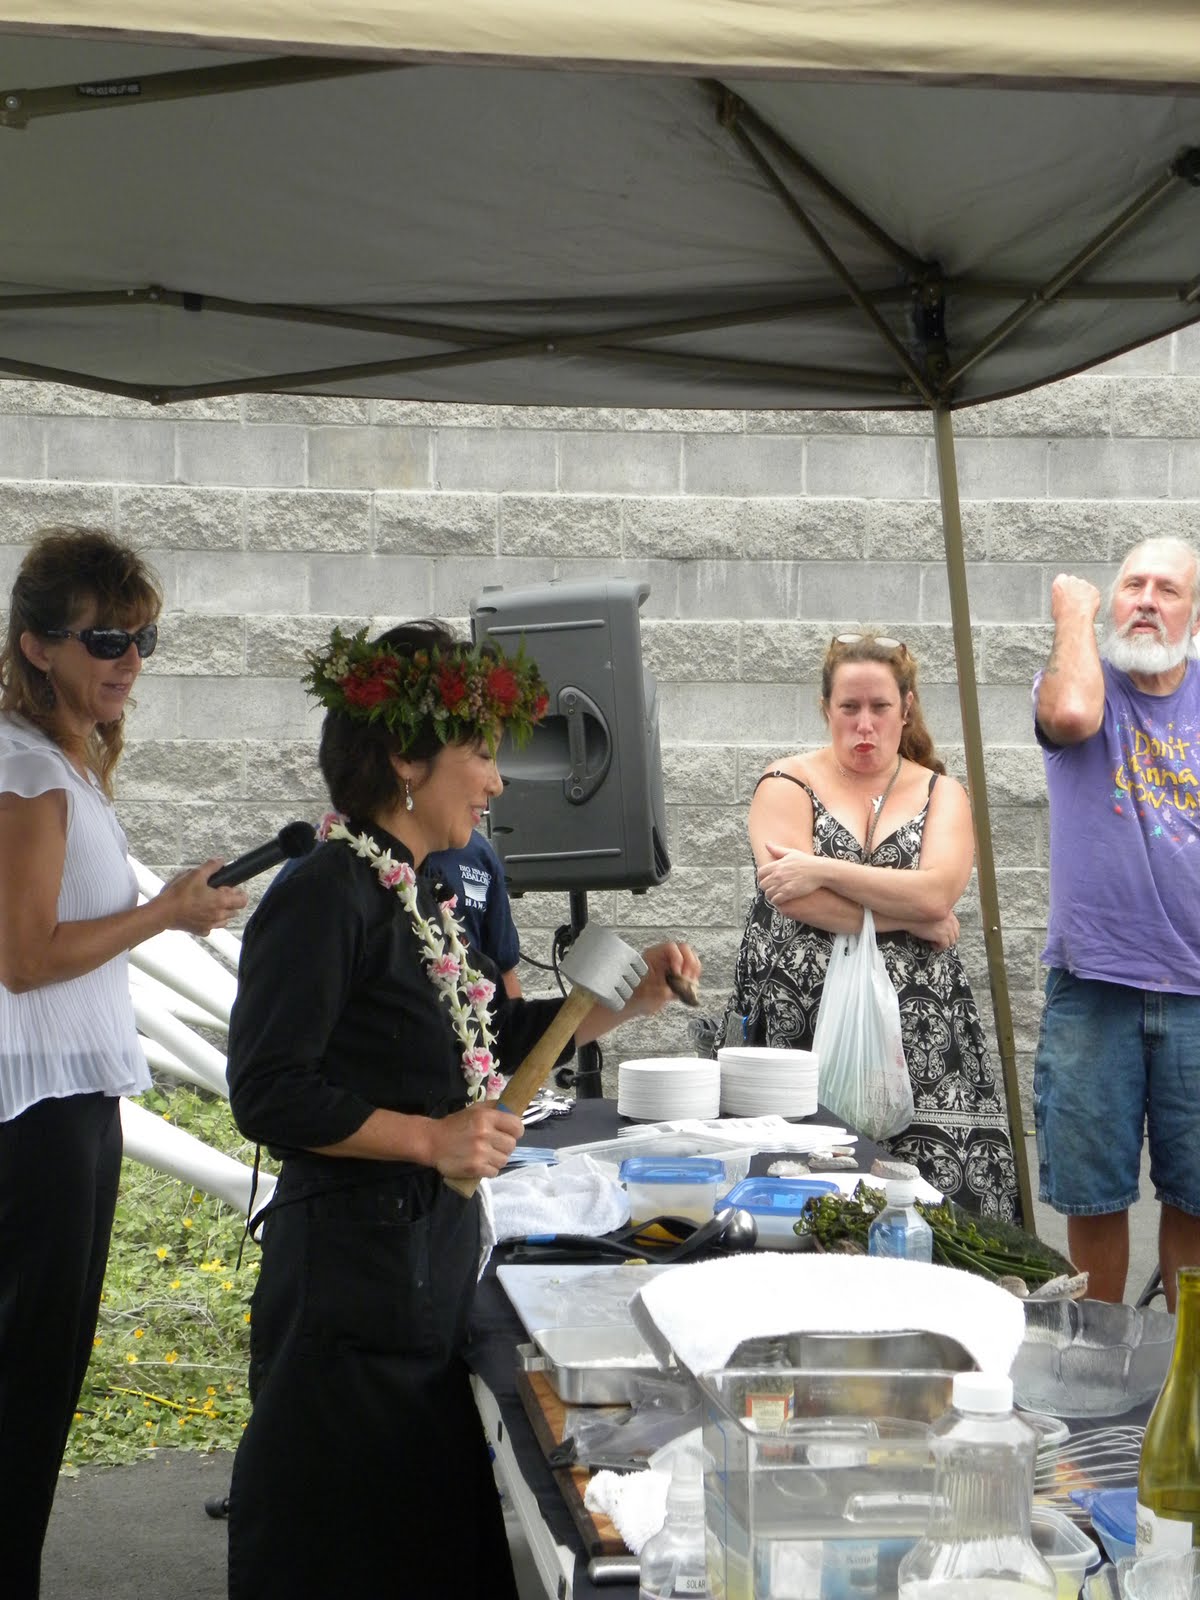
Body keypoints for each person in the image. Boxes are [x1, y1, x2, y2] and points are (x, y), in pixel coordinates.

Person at [224, 620, 699, 1600]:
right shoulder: (323, 892)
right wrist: (426, 1137)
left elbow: (491, 1038)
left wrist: (626, 997)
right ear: (405, 755)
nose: (495, 781)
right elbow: (266, 1086)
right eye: (481, 753)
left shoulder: (429, 893)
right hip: (346, 1300)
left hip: (420, 1286)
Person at [0, 525, 247, 1600]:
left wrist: (166, 909)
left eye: (146, 638)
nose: (130, 660)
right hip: (39, 1111)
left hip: (68, 1099)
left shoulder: (60, 762)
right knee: (29, 1379)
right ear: (36, 643)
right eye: (107, 637)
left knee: (42, 1377)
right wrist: (162, 912)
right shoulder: (26, 768)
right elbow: (23, 955)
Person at [717, 632, 1019, 1219]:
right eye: (849, 707)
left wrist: (823, 869)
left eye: (880, 707)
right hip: (796, 1022)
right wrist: (908, 917)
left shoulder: (942, 792)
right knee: (800, 1201)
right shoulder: (785, 783)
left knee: (930, 1209)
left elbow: (939, 890)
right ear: (826, 707)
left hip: (920, 1038)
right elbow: (789, 897)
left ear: (905, 708)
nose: (864, 724)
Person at [1033, 536, 1200, 1310]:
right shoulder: (1078, 685)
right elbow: (1069, 714)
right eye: (1131, 583)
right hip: (1094, 984)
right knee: (1093, 1196)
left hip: (1198, 992)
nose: (1146, 599)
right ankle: (1097, 1365)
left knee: (1196, 1197)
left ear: (1193, 614)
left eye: (1167, 589)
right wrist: (1073, 615)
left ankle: (1183, 1381)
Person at [425, 829, 522, 995]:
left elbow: (504, 970)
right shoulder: (377, 852)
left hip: (469, 1013)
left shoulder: (478, 852)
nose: (490, 801)